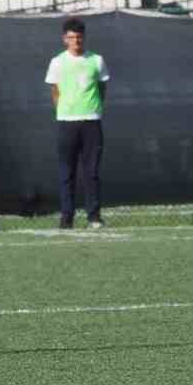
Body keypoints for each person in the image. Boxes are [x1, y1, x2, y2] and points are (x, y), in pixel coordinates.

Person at [45, 17, 110, 230]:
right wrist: (64, 110)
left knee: (91, 173)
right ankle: (67, 218)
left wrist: (94, 109)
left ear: (84, 38)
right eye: (72, 38)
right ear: (65, 39)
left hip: (91, 123)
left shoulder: (97, 60)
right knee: (67, 173)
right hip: (66, 123)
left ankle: (94, 217)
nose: (76, 41)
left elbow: (102, 88)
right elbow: (55, 92)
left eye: (79, 37)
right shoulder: (57, 62)